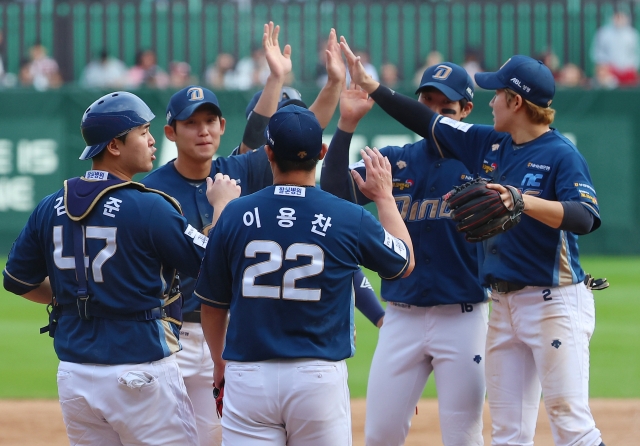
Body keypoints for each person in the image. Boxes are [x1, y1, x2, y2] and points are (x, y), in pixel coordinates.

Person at [342, 39, 605, 446]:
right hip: (502, 305)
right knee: (508, 435)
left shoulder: (560, 154)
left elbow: (585, 217)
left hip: (553, 301)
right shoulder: (488, 144)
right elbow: (423, 120)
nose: (491, 100)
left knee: (572, 426)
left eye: (498, 93)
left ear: (516, 102)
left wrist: (525, 202)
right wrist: (371, 86)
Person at [1, 91, 237, 444]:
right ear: (114, 145)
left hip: (75, 374)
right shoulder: (149, 207)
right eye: (143, 132)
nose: (152, 139)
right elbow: (215, 266)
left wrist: (70, 300)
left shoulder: (50, 206)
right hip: (141, 371)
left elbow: (17, 280)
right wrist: (222, 209)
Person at [195, 104, 415, 445]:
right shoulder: (348, 216)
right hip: (317, 377)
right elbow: (403, 262)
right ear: (322, 152)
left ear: (268, 152)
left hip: (248, 374)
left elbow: (212, 304)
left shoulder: (235, 214)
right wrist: (385, 197)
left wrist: (220, 362)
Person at [321, 63, 489, 446]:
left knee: (463, 437)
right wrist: (345, 126)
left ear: (465, 111)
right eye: (427, 102)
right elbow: (334, 193)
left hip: (462, 317)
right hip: (401, 318)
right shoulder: (395, 160)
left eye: (445, 108)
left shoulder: (480, 162)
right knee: (380, 435)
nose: (433, 113)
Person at [591, 11, 640, 87]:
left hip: (629, 71)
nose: (619, 20)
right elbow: (598, 52)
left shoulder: (633, 34)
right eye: (616, 17)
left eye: (621, 17)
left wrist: (631, 66)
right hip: (608, 70)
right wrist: (605, 66)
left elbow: (636, 52)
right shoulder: (603, 33)